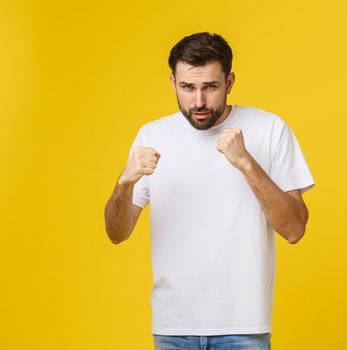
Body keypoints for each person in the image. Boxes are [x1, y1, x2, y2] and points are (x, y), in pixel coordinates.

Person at [104, 32, 315, 350]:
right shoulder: (152, 134)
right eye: (188, 87)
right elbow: (116, 233)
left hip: (243, 327)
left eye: (210, 87)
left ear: (229, 83)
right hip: (173, 327)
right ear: (173, 82)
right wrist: (124, 184)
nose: (198, 101)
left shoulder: (269, 129)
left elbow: (295, 229)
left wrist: (246, 164)